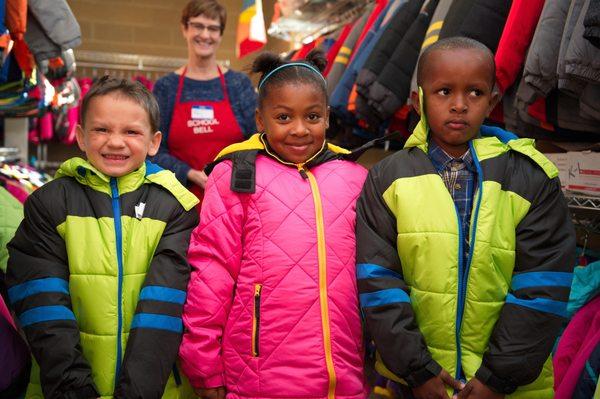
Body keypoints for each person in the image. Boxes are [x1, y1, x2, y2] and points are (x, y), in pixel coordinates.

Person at [356, 37, 576, 399]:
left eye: (474, 93)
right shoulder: (387, 180)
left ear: (492, 102)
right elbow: (379, 283)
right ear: (419, 100)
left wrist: (497, 378)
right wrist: (418, 372)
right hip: (416, 384)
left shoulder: (531, 176)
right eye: (444, 91)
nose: (459, 105)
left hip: (510, 387)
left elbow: (542, 285)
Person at [179, 50, 368, 399]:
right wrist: (202, 363)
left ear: (327, 117)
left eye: (312, 116)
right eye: (283, 117)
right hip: (258, 376)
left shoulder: (355, 177)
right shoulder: (237, 175)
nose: (299, 129)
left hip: (344, 376)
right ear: (260, 121)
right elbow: (211, 271)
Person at [5, 77, 200, 398]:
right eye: (102, 129)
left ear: (154, 142)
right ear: (80, 136)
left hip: (156, 386)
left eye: (131, 132)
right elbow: (41, 303)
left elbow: (166, 306)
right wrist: (73, 388)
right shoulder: (50, 202)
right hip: (64, 384)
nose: (116, 142)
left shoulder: (175, 207)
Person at [152, 0, 257, 203]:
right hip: (178, 203)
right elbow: (153, 150)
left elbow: (257, 142)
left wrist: (228, 175)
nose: (205, 35)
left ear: (220, 35)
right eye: (198, 26)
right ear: (185, 28)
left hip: (234, 202)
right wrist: (189, 173)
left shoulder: (238, 84)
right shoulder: (166, 87)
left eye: (213, 28)